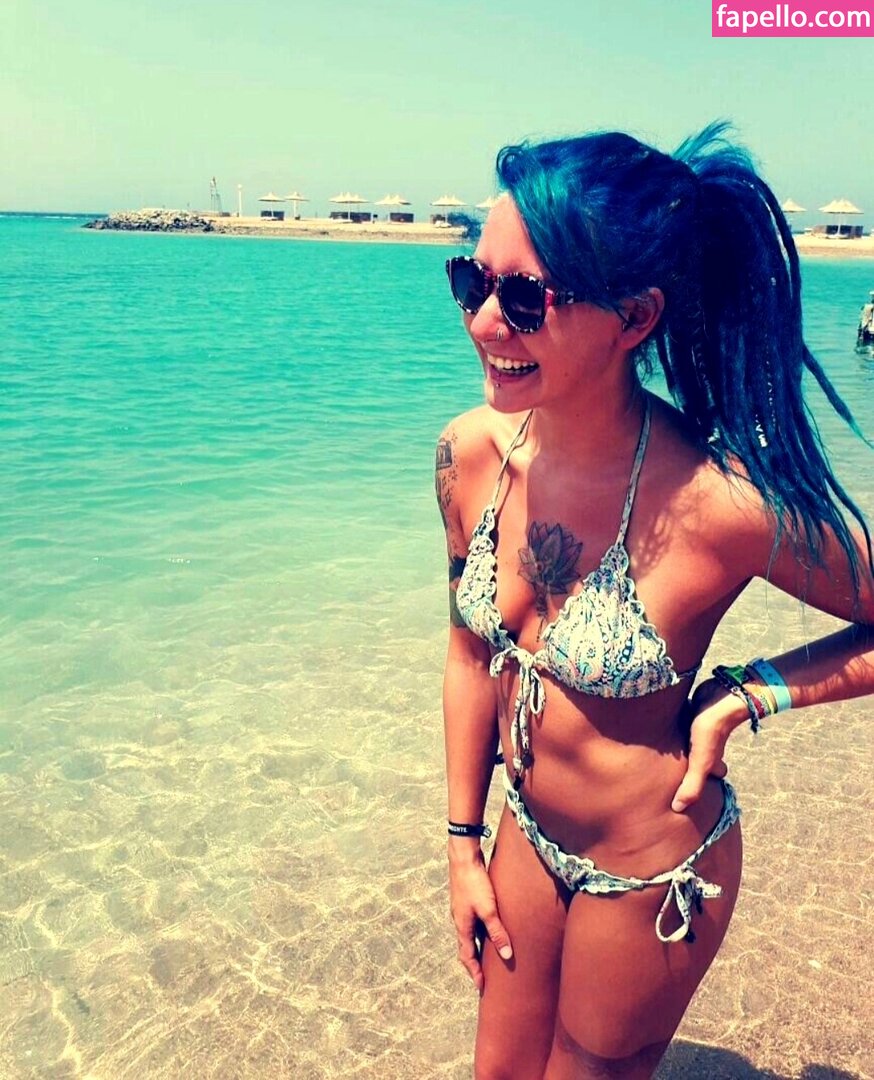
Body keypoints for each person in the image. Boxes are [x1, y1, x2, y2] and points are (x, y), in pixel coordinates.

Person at [434, 122, 874, 1080]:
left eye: (524, 298)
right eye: (472, 280)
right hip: (525, 834)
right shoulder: (469, 456)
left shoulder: (717, 505)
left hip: (654, 868)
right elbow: (469, 655)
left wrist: (751, 693)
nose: (485, 323)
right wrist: (463, 843)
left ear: (634, 318)